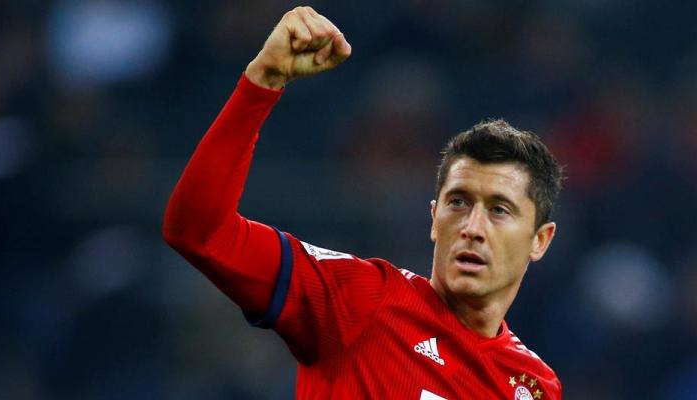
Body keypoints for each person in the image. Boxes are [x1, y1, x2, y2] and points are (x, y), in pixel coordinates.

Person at [163, 6, 562, 400]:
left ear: (539, 240)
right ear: (433, 217)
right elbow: (200, 232)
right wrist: (262, 82)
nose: (472, 228)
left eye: (499, 210)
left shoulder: (535, 386)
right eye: (458, 202)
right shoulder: (361, 301)